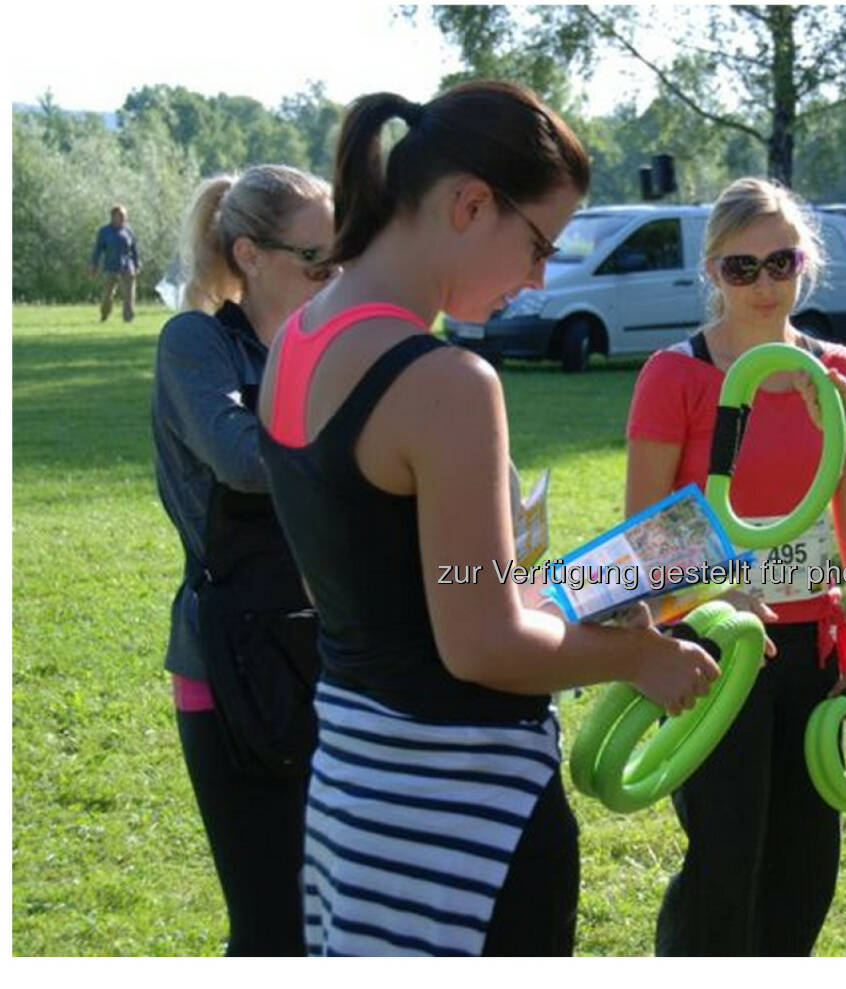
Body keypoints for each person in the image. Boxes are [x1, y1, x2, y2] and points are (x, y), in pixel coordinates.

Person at [255, 82, 719, 958]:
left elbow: (372, 594)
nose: (540, 278)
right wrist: (641, 659)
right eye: (540, 244)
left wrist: (606, 587)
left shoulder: (295, 340)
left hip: (357, 799)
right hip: (466, 823)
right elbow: (480, 647)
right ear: (471, 203)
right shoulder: (446, 383)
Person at [626, 177, 846, 956]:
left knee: (805, 871)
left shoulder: (835, 370)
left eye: (780, 262)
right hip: (715, 652)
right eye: (741, 269)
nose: (764, 284)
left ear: (804, 263)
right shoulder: (676, 375)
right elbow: (640, 534)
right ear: (711, 273)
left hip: (813, 650)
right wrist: (715, 586)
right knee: (724, 869)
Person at [151, 164, 335, 954]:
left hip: (332, 655)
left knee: (330, 919)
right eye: (316, 261)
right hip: (229, 665)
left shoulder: (332, 347)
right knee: (270, 928)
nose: (334, 279)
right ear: (250, 254)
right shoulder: (197, 341)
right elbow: (241, 458)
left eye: (343, 260)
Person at [92, 204, 141, 322]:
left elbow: (134, 249)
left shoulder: (128, 230)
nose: (124, 218)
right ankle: (104, 315)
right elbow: (98, 250)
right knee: (107, 295)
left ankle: (128, 318)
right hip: (110, 266)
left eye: (125, 216)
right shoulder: (104, 231)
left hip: (127, 267)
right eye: (121, 216)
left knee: (129, 295)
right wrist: (94, 264)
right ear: (113, 216)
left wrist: (136, 264)